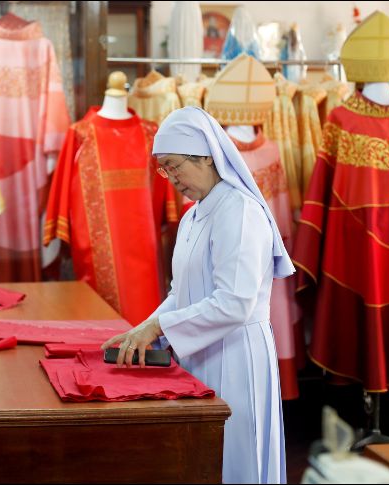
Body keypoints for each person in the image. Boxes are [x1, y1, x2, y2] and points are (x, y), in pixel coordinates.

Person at [101, 106, 294, 484]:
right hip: (200, 350)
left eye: (175, 166)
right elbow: (182, 292)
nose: (171, 178)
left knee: (237, 458)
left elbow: (234, 303)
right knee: (202, 459)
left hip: (238, 355)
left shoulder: (238, 211)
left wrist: (159, 326)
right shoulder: (194, 215)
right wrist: (144, 329)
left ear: (205, 155)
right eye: (164, 169)